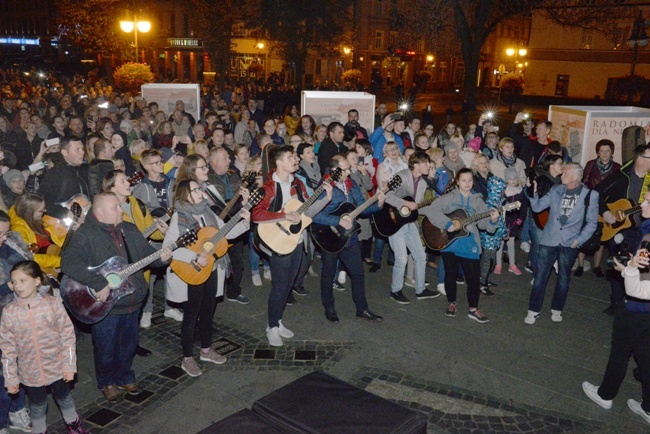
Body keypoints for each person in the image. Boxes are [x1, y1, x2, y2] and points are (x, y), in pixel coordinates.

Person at [60, 192, 172, 402]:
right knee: (106, 348)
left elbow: (147, 255)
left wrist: (162, 258)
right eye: (115, 208)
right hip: (106, 306)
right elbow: (68, 262)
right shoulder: (86, 234)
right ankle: (107, 381)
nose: (121, 211)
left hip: (133, 299)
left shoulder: (129, 229)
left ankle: (124, 375)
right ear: (100, 211)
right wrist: (98, 282)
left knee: (128, 344)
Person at [164, 179, 250, 377]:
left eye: (200, 188)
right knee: (191, 315)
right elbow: (168, 248)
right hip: (191, 270)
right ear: (185, 194)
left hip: (212, 269)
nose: (200, 192)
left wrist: (245, 218)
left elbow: (226, 233)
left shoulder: (209, 212)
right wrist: (195, 256)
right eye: (195, 190)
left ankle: (205, 350)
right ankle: (187, 358)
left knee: (208, 311)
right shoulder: (180, 216)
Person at [252, 145, 332, 347]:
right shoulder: (268, 187)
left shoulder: (298, 184)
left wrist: (327, 198)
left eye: (295, 157)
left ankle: (277, 321)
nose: (295, 160)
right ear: (278, 162)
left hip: (296, 240)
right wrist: (284, 215)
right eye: (290, 157)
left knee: (288, 284)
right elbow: (257, 214)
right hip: (277, 241)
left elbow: (307, 211)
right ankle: (271, 326)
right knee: (279, 286)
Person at [582, 191, 650, 425]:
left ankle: (605, 395)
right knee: (646, 355)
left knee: (620, 351)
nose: (643, 203)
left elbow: (638, 287)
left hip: (636, 307)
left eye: (649, 201)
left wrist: (627, 269)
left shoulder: (649, 237)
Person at [0, 260, 87, 434]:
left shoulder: (52, 304)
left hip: (57, 366)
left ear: (37, 281)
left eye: (23, 281)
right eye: (14, 282)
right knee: (37, 405)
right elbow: (7, 349)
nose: (17, 286)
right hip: (30, 371)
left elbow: (67, 336)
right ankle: (39, 430)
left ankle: (73, 424)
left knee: (64, 398)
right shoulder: (10, 312)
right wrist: (11, 379)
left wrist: (69, 366)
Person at [525, 163, 598, 324]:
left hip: (569, 242)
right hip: (549, 239)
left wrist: (579, 240)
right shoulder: (556, 189)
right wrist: (533, 192)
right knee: (540, 277)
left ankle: (557, 309)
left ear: (575, 177)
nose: (561, 176)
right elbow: (537, 208)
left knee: (563, 278)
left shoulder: (590, 195)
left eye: (565, 173)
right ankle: (533, 310)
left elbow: (592, 223)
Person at [313, 156, 384, 322]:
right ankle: (329, 307)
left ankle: (362, 308)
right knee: (328, 274)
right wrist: (338, 221)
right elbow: (314, 215)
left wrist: (379, 204)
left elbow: (362, 208)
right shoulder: (324, 188)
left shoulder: (351, 186)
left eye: (348, 169)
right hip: (328, 237)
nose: (348, 172)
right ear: (333, 170)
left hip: (349, 238)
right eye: (344, 170)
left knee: (358, 273)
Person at [426, 168, 499, 323]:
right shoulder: (449, 198)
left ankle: (473, 309)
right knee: (450, 274)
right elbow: (432, 212)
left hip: (469, 243)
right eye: (464, 180)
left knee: (473, 279)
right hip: (449, 242)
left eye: (470, 180)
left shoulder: (478, 201)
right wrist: (447, 223)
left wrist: (493, 221)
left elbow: (484, 224)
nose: (467, 183)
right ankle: (451, 302)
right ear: (457, 181)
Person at [597, 145, 650, 315]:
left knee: (640, 270)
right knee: (619, 266)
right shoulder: (621, 177)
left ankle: (636, 303)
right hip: (619, 230)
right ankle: (617, 302)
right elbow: (596, 193)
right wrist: (605, 211)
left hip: (643, 232)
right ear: (640, 159)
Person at [384, 151, 441, 304]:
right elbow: (386, 196)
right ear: (415, 165)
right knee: (401, 259)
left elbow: (417, 207)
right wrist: (405, 203)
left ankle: (420, 290)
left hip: (410, 222)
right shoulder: (401, 176)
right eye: (425, 163)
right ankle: (395, 291)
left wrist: (435, 206)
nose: (428, 166)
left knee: (421, 256)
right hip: (394, 222)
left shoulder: (423, 182)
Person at [0, 212, 32, 434]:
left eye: (6, 232)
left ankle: (17, 409)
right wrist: (9, 287)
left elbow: (28, 267)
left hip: (17, 317)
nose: (3, 238)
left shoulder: (11, 244)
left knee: (18, 367)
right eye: (0, 233)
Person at [207, 147, 250, 304]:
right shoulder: (207, 179)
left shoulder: (233, 175)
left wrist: (246, 201)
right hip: (214, 226)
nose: (229, 160)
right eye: (225, 158)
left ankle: (233, 291)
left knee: (237, 261)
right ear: (214, 162)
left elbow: (241, 196)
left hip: (235, 221)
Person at [576, 139, 621, 278]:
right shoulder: (591, 164)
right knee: (584, 232)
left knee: (603, 236)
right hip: (589, 203)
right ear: (598, 152)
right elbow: (584, 182)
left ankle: (596, 266)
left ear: (612, 152)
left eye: (607, 151)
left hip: (607, 206)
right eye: (601, 151)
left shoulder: (617, 168)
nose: (604, 154)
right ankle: (580, 265)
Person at [37, 136, 89, 220]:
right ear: (65, 152)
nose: (82, 152)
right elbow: (43, 200)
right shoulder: (55, 173)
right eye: (77, 149)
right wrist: (65, 213)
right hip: (65, 225)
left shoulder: (85, 170)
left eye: (82, 149)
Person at [493, 167, 528, 276]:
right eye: (510, 178)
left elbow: (524, 206)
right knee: (500, 243)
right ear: (506, 179)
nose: (512, 181)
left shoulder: (520, 192)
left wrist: (520, 219)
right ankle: (498, 264)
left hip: (513, 222)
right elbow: (498, 205)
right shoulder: (503, 192)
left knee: (511, 244)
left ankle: (512, 264)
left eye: (514, 178)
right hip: (503, 221)